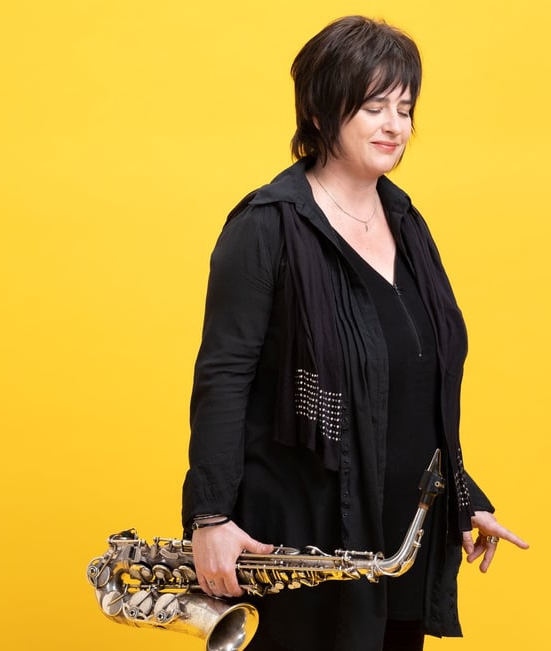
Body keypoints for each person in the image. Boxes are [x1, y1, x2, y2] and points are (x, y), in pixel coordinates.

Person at [181, 15, 529, 651]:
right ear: (320, 112)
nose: (395, 125)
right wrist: (211, 517)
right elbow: (223, 378)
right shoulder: (266, 226)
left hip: (399, 549)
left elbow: (412, 382)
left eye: (405, 108)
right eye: (374, 107)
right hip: (303, 545)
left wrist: (460, 492)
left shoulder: (407, 223)